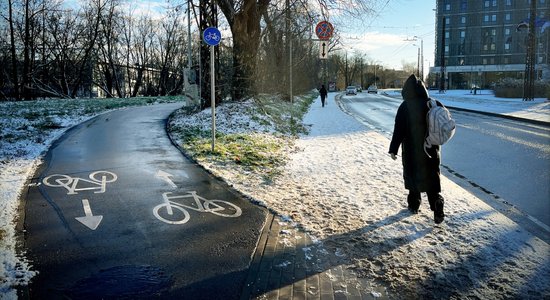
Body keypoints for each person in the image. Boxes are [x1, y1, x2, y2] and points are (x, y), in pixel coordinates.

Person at [388, 74, 445, 224]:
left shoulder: (405, 106)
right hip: (431, 149)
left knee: (413, 178)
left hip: (412, 151)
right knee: (432, 177)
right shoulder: (433, 103)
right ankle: (436, 202)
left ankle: (414, 205)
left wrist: (394, 149)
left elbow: (398, 130)